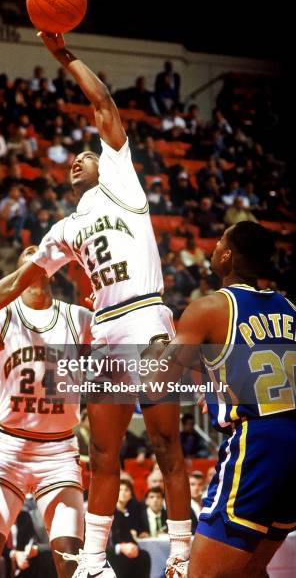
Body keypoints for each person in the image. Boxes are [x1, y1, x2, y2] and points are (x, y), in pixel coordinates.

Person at [0, 33, 191, 578]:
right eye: (73, 158)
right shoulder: (66, 228)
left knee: (167, 444)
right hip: (108, 332)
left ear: (108, 163)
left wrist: (64, 56)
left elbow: (103, 105)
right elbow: (12, 281)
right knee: (101, 457)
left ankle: (183, 554)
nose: (78, 160)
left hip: (145, 316)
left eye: (87, 155)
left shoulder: (124, 184)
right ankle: (94, 562)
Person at [150, 221, 296, 577]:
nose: (213, 247)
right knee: (249, 570)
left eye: (218, 241)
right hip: (291, 445)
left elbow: (158, 382)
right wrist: (214, 392)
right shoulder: (289, 308)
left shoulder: (210, 307)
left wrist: (154, 344)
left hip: (256, 446)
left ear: (227, 256)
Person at [0, 245, 92, 578]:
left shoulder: (78, 317)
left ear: (50, 271)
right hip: (9, 449)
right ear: (16, 277)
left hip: (59, 452)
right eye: (27, 263)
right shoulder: (1, 316)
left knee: (71, 561)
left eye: (41, 262)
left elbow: (123, 350)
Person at [107, 481, 151, 578]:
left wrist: (134, 545)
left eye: (126, 490)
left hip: (128, 547)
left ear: (131, 494)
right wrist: (120, 548)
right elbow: (109, 540)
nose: (123, 493)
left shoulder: (134, 510)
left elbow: (140, 528)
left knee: (144, 555)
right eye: (120, 490)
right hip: (112, 551)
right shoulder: (109, 512)